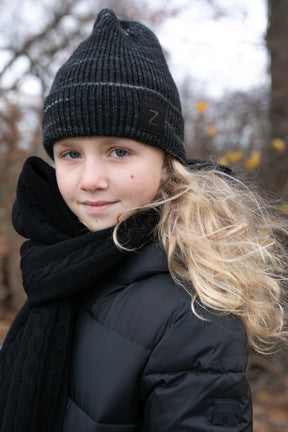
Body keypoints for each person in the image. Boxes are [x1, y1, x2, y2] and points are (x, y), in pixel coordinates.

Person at [0, 8, 286, 432]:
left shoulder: (193, 315)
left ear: (168, 163)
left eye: (119, 152)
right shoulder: (66, 265)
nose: (90, 180)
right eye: (71, 154)